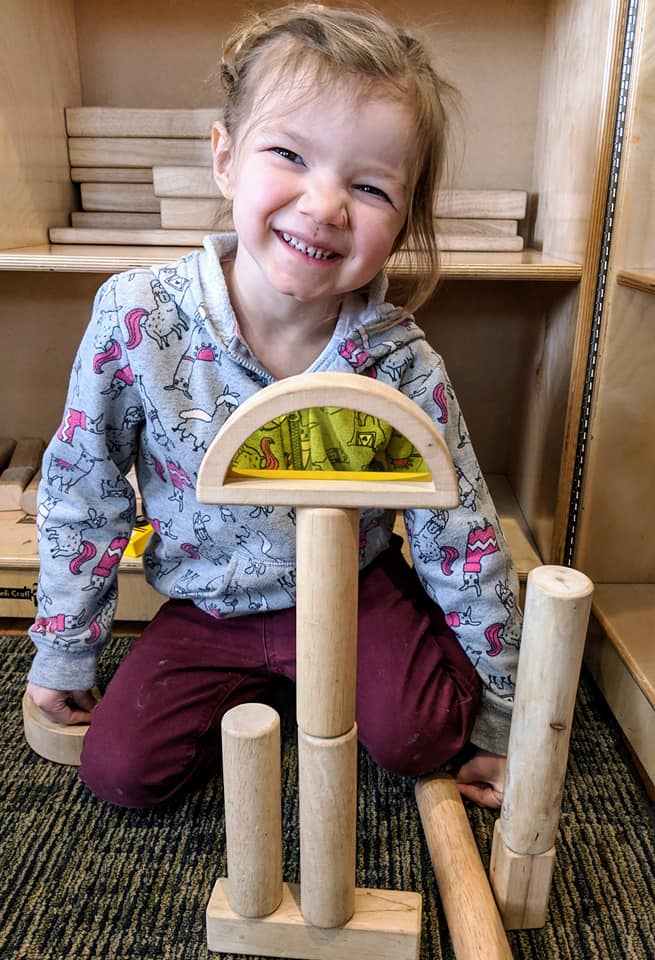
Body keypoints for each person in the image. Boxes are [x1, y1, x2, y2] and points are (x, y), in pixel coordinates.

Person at [25, 2, 521, 811]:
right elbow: (83, 491)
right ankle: (273, 686)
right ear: (224, 158)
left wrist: (503, 712)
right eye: (289, 153)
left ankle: (396, 668)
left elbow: (462, 535)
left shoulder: (400, 361)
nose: (325, 205)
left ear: (400, 224)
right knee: (121, 774)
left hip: (354, 590)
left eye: (368, 187)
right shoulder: (136, 317)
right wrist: (64, 653)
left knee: (422, 739)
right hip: (205, 603)